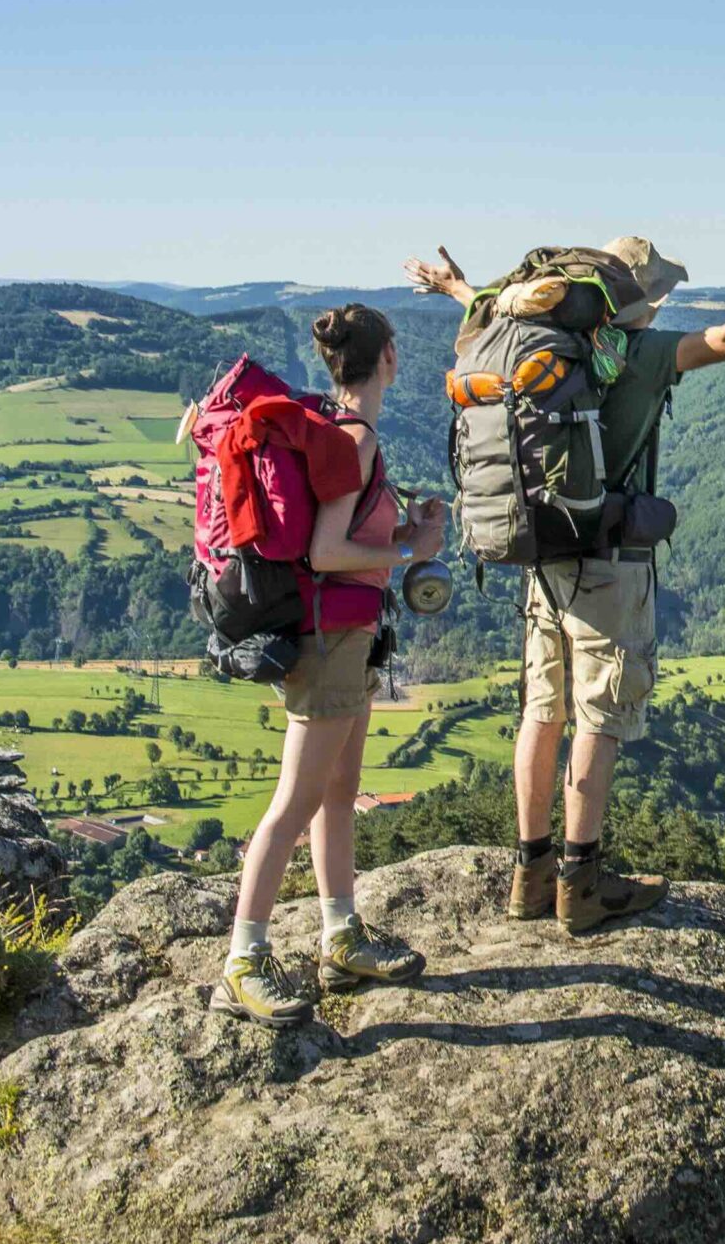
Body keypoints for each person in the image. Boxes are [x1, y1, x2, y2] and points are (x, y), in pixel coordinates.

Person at [406, 237, 725, 933]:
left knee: (541, 711)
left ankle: (530, 871)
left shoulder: (544, 347)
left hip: (541, 549)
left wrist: (459, 289)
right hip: (609, 564)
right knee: (599, 717)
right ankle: (581, 881)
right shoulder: (637, 354)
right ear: (639, 299)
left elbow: (491, 306)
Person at [212, 303, 447, 1025]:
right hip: (328, 640)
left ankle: (340, 937)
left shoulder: (344, 434)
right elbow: (326, 551)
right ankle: (242, 962)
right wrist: (411, 549)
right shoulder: (356, 442)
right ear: (388, 359)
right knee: (295, 803)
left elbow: (341, 534)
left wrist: (407, 527)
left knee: (340, 792)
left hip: (347, 636)